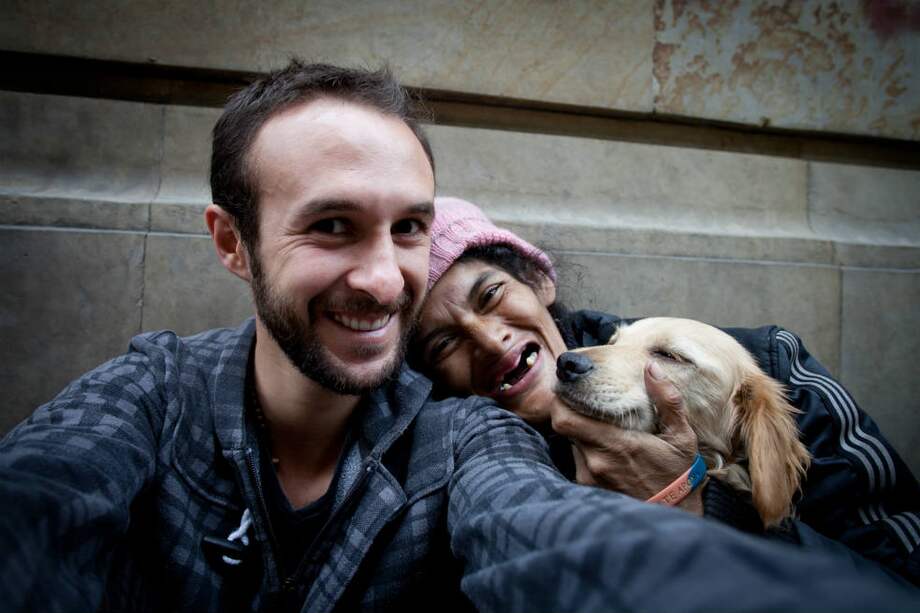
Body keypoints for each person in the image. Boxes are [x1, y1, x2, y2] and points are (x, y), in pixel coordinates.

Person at [1, 61, 918, 613]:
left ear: (539, 280)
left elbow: (536, 535)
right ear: (231, 243)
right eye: (330, 226)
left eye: (407, 228)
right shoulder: (167, 392)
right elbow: (41, 497)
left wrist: (701, 518)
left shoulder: (770, 366)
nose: (377, 276)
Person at [415, 195, 920, 585]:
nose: (487, 339)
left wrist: (702, 506)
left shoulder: (769, 365)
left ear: (539, 282)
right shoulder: (462, 460)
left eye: (491, 294)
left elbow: (901, 577)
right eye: (443, 343)